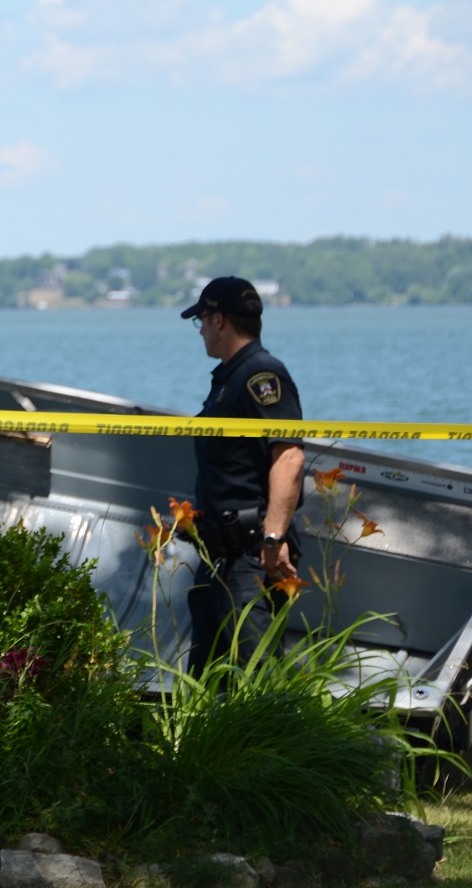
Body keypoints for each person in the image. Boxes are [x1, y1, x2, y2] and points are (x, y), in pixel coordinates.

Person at [179, 276, 305, 674]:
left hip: (249, 555)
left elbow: (289, 458)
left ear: (218, 320)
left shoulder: (260, 375)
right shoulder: (230, 378)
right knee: (206, 678)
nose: (200, 330)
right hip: (220, 555)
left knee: (257, 677)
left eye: (201, 320)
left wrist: (273, 539)